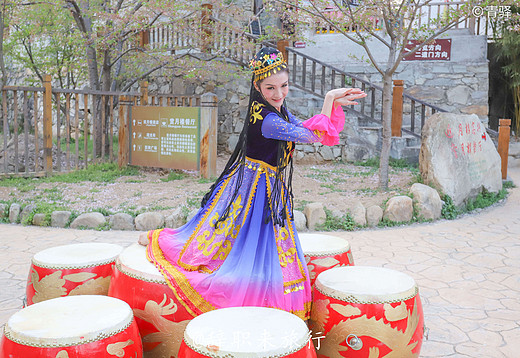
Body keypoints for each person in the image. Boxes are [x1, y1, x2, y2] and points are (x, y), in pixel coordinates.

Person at [139, 47, 366, 321]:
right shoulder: (269, 120)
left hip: (269, 186)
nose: (279, 94)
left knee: (256, 240)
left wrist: (333, 105)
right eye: (270, 88)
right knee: (232, 244)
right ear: (257, 86)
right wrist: (330, 99)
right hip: (255, 188)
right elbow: (311, 136)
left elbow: (306, 126)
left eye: (284, 86)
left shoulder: (276, 110)